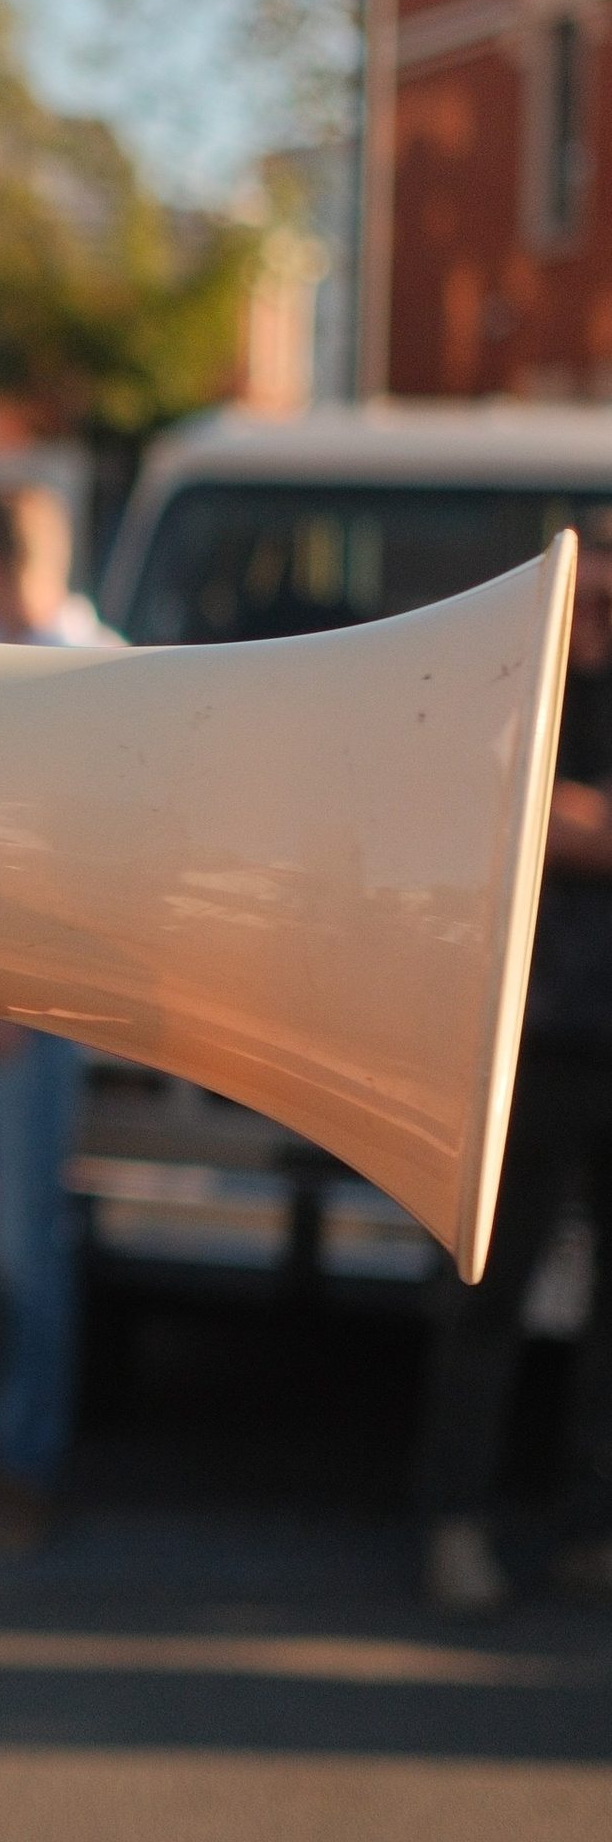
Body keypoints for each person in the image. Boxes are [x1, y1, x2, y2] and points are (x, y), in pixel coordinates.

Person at [415, 525, 612, 1615]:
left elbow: (555, 823)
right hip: (522, 1048)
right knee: (483, 1293)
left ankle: (591, 1526)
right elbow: (512, 814)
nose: (590, 630)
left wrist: (568, 819)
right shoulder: (518, 700)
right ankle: (453, 1521)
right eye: (580, 607)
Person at [0, 485, 121, 1557]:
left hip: (28, 1014)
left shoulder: (87, 676)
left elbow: (81, 871)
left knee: (23, 1255)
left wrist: (9, 997)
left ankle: (23, 1467)